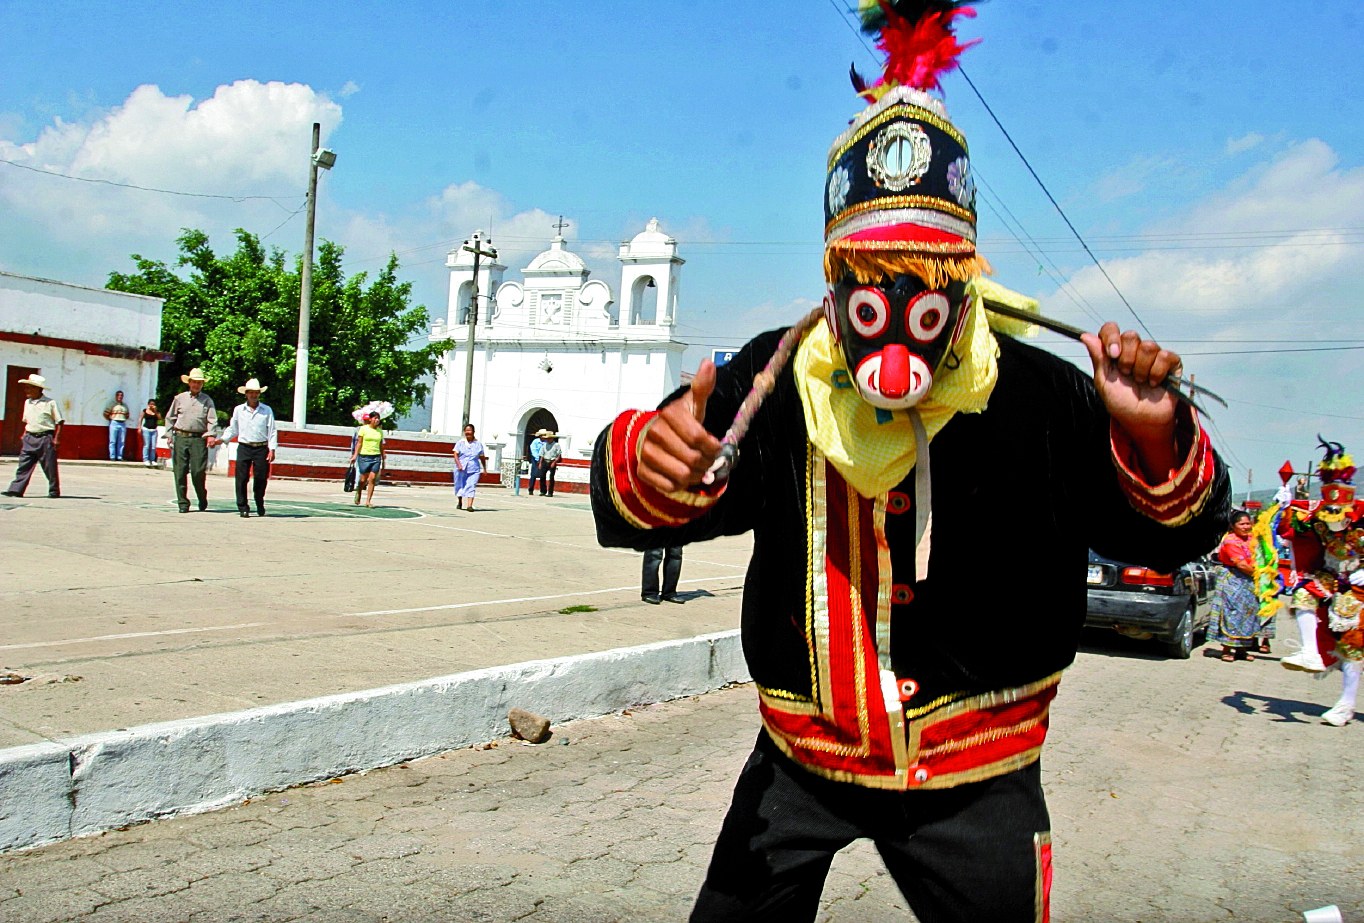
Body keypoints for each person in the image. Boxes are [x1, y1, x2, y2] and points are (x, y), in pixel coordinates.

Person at [590, 5, 1229, 920]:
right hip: (800, 765)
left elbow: (1172, 535)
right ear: (834, 280)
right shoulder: (781, 376)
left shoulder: (1045, 392)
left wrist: (1153, 435)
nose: (893, 332)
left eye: (923, 291)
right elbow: (652, 495)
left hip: (981, 774)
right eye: (868, 291)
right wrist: (658, 455)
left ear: (966, 276)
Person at [1272, 439, 1364, 726]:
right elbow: (1292, 526)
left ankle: (1346, 704)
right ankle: (1310, 651)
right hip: (1333, 578)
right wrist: (1285, 503)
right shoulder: (1318, 519)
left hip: (1359, 586)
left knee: (1352, 647)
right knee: (1303, 593)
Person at [214, 378, 277, 518]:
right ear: (246, 394)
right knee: (241, 478)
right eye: (251, 393)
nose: (254, 395)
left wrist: (272, 449)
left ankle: (259, 502)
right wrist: (223, 439)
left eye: (256, 393)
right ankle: (242, 506)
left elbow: (272, 430)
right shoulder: (238, 410)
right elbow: (233, 428)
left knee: (261, 477)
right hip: (244, 446)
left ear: (259, 394)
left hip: (261, 447)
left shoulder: (266, 410)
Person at [1206, 510, 1260, 662]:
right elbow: (1242, 565)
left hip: (1250, 581)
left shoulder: (1253, 539)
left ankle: (1242, 650)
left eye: (1248, 523)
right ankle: (1227, 649)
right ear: (1233, 526)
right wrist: (1260, 575)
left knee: (1249, 613)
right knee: (1232, 612)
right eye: (1241, 524)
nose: (1245, 526)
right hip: (1234, 578)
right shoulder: (1230, 541)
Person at [2, 374, 63, 499]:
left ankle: (54, 490)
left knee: (49, 466)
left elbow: (60, 422)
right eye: (26, 388)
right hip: (29, 437)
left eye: (29, 388)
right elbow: (27, 421)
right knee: (23, 465)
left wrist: (56, 438)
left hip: (45, 438)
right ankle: (16, 490)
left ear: (38, 389)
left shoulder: (50, 403)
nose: (27, 391)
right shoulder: (27, 403)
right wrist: (24, 435)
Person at [164, 368, 216, 513]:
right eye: (194, 382)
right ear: (189, 383)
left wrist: (211, 434)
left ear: (202, 384)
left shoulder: (207, 400)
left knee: (198, 472)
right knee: (179, 471)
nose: (196, 385)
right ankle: (183, 503)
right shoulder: (179, 398)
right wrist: (169, 434)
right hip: (181, 437)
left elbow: (212, 420)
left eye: (199, 383)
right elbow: (170, 417)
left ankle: (201, 496)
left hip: (198, 439)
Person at [349, 410, 385, 508]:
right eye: (375, 418)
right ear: (370, 419)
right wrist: (354, 455)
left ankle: (368, 501)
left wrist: (383, 456)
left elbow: (381, 445)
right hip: (364, 456)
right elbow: (359, 443)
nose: (377, 420)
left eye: (378, 418)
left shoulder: (380, 431)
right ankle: (359, 492)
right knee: (363, 479)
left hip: (376, 456)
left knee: (372, 478)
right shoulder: (363, 429)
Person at [452, 423, 487, 511]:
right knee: (460, 485)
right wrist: (459, 464)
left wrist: (485, 469)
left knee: (471, 485)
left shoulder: (478, 444)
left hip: (474, 469)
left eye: (470, 430)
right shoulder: (460, 443)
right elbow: (455, 454)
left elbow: (482, 457)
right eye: (466, 431)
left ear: (473, 432)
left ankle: (469, 505)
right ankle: (460, 501)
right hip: (461, 468)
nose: (468, 432)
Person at [104, 390, 130, 461]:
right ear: (116, 396)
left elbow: (127, 415)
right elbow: (106, 413)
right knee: (113, 441)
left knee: (121, 441)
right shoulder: (112, 404)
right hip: (114, 422)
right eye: (118, 395)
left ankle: (119, 456)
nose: (120, 397)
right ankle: (112, 456)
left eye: (121, 395)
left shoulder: (125, 406)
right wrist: (111, 419)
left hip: (122, 423)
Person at [539, 432, 562, 497]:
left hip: (552, 461)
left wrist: (554, 462)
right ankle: (543, 491)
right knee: (542, 476)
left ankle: (550, 492)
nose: (548, 440)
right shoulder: (544, 445)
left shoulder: (556, 445)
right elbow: (541, 454)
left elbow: (558, 455)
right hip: (545, 461)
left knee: (551, 477)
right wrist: (540, 463)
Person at [140, 400, 161, 468]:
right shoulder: (145, 411)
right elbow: (140, 419)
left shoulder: (156, 412)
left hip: (154, 430)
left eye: (153, 404)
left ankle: (152, 459)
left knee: (153, 446)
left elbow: (160, 418)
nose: (152, 405)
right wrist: (139, 428)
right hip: (146, 429)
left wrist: (155, 411)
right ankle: (146, 459)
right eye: (151, 404)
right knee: (147, 445)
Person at [527, 429, 548, 495]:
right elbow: (534, 451)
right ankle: (531, 488)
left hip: (543, 459)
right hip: (535, 459)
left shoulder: (546, 442)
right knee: (533, 474)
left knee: (543, 475)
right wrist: (538, 459)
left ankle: (543, 490)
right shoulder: (535, 442)